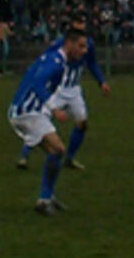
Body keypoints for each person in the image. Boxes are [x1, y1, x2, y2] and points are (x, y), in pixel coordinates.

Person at [7, 29, 89, 215]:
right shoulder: (56, 63)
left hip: (26, 110)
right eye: (81, 46)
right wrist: (54, 108)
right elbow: (37, 83)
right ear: (69, 43)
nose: (84, 50)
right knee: (58, 149)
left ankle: (47, 198)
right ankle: (44, 200)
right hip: (26, 112)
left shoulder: (55, 57)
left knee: (55, 152)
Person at [16, 17, 111, 170]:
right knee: (38, 121)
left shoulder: (88, 44)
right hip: (57, 89)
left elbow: (92, 63)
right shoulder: (59, 46)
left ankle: (70, 159)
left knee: (82, 123)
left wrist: (101, 81)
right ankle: (24, 156)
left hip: (73, 90)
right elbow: (45, 61)